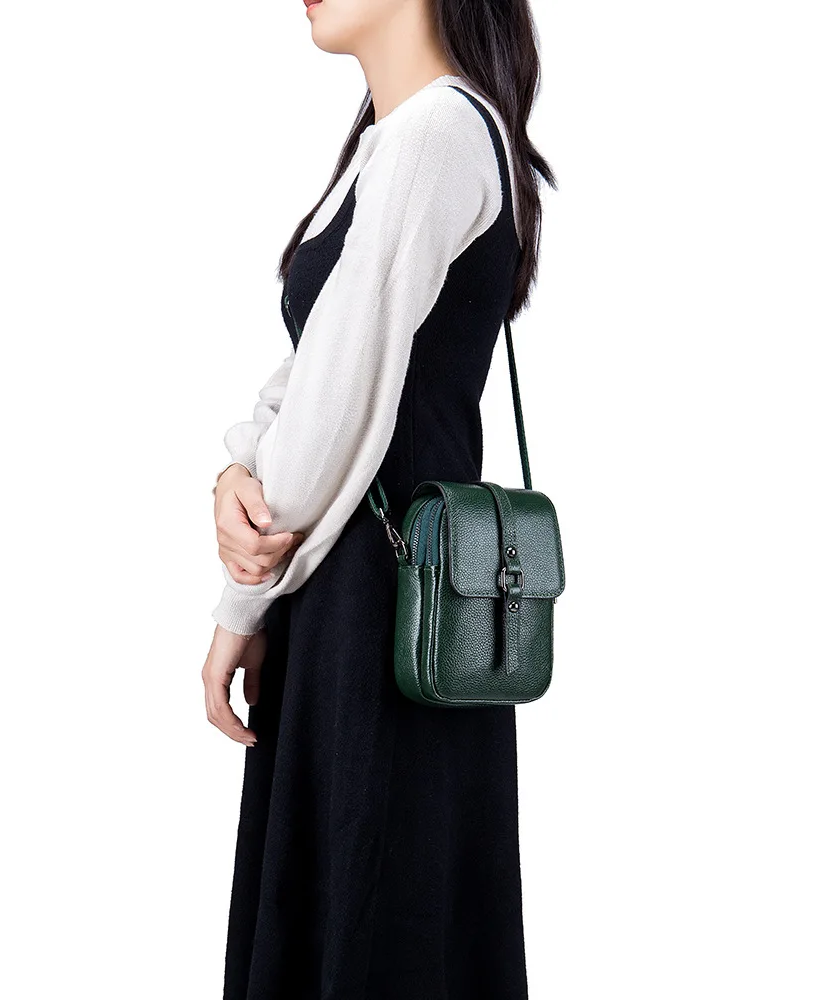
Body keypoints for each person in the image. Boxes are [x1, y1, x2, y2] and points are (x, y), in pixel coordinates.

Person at [202, 1, 556, 996]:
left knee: (369, 921)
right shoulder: (394, 140)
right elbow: (312, 369)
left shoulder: (438, 133)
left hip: (382, 612)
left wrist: (240, 599)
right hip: (388, 598)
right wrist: (234, 472)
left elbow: (329, 412)